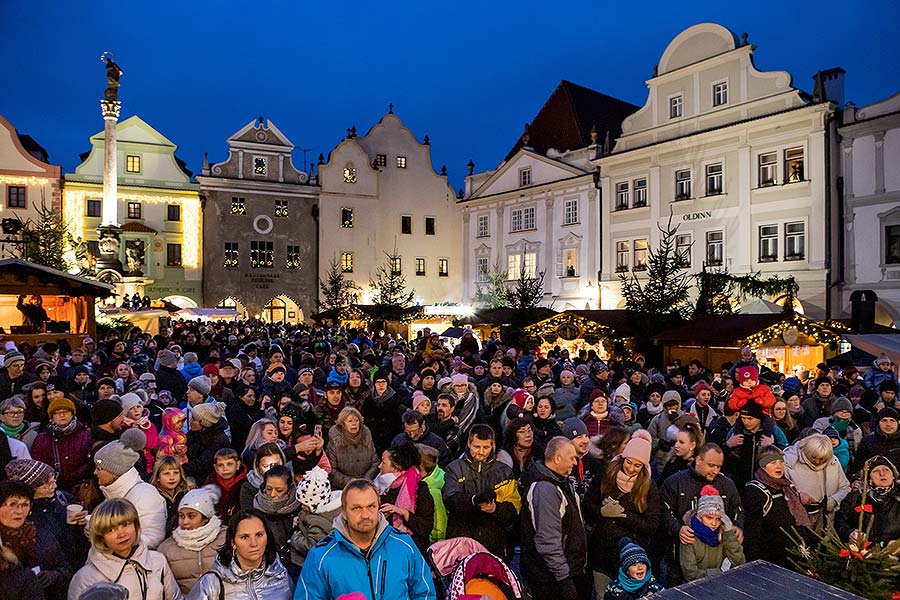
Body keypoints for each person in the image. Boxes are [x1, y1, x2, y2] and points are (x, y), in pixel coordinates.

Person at [297, 479, 436, 600]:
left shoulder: (404, 546)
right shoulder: (321, 557)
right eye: (356, 508)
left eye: (371, 506)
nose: (365, 515)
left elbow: (424, 593)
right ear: (344, 512)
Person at [584, 430, 660, 592]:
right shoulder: (606, 474)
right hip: (601, 554)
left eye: (637, 465)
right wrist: (602, 512)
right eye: (628, 462)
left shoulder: (649, 486)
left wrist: (623, 514)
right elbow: (587, 505)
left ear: (644, 466)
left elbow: (651, 525)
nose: (631, 468)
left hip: (631, 559)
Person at [659, 444, 744, 586]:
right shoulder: (675, 482)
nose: (715, 470)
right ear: (698, 460)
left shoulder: (727, 484)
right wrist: (677, 528)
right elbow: (664, 511)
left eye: (719, 466)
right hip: (679, 559)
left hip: (718, 556)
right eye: (711, 465)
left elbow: (738, 509)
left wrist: (737, 525)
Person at [67, 498, 181, 600]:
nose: (121, 534)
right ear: (100, 537)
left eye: (126, 524)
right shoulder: (86, 579)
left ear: (136, 525)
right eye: (111, 530)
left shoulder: (157, 561)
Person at [520, 437, 590, 600]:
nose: (575, 462)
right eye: (572, 458)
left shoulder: (560, 483)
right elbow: (548, 541)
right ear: (558, 458)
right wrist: (564, 581)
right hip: (551, 580)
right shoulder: (545, 490)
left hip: (561, 574)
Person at [443, 424, 520, 557]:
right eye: (477, 447)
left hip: (493, 542)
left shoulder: (504, 472)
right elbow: (450, 500)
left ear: (493, 445)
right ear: (469, 443)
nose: (481, 451)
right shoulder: (454, 468)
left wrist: (496, 508)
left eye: (486, 447)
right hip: (462, 541)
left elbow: (514, 509)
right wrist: (474, 500)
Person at [186, 509, 292, 600]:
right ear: (233, 543)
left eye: (259, 535)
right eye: (245, 537)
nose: (254, 543)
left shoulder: (280, 574)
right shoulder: (211, 583)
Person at [93, 429, 168, 549]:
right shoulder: (112, 492)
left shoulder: (145, 495)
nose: (95, 472)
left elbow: (154, 537)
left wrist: (114, 544)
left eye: (99, 468)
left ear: (115, 472)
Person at [742, 445, 812, 567]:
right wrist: (755, 563)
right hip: (769, 558)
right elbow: (752, 532)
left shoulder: (786, 486)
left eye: (781, 461)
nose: (779, 466)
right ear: (762, 465)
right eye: (773, 462)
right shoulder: (755, 491)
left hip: (792, 555)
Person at [158, 485, 227, 594]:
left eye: (191, 516)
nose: (185, 522)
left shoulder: (225, 539)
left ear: (205, 517)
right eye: (181, 516)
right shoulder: (166, 549)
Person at [783, 433, 850, 530]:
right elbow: (781, 491)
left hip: (829, 523)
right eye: (813, 457)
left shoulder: (834, 462)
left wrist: (833, 501)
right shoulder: (789, 463)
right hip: (800, 523)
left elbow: (845, 488)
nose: (817, 462)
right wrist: (798, 495)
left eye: (822, 459)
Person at [678, 485, 745, 582]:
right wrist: (720, 572)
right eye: (709, 518)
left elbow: (740, 563)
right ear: (700, 517)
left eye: (718, 519)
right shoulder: (689, 535)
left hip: (723, 584)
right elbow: (690, 574)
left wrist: (729, 533)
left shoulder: (724, 533)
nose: (714, 523)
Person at [377, 441, 434, 555]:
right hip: (384, 549)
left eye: (383, 462)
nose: (379, 466)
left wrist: (404, 513)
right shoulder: (379, 486)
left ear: (396, 467)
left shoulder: (420, 489)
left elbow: (426, 527)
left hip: (411, 550)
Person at [835, 455, 900, 547]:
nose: (882, 474)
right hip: (863, 554)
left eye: (886, 470)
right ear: (869, 478)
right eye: (876, 471)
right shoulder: (856, 498)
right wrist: (849, 533)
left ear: (893, 475)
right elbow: (840, 520)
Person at [30, 396, 93, 490]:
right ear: (51, 417)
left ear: (72, 414)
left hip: (81, 486)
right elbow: (37, 462)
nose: (62, 415)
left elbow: (91, 459)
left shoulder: (86, 434)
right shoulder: (42, 438)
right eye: (57, 413)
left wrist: (75, 475)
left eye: (66, 411)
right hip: (52, 486)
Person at [288, 467, 341, 568]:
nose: (302, 507)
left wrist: (295, 538)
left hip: (306, 563)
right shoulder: (316, 513)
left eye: (305, 504)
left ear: (315, 503)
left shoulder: (318, 521)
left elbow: (311, 546)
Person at [325, 407, 379, 490]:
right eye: (350, 421)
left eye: (356, 420)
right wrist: (351, 482)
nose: (354, 424)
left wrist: (365, 480)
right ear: (342, 424)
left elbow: (375, 463)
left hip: (367, 485)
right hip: (343, 488)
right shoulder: (333, 445)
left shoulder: (367, 438)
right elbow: (331, 471)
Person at [184, 401, 230, 483]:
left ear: (204, 423)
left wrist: (179, 469)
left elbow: (202, 464)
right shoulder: (195, 431)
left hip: (206, 480)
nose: (190, 421)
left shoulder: (219, 440)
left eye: (194, 419)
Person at [206, 448, 247, 520]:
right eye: (220, 465)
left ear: (237, 465)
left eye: (229, 464)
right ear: (216, 468)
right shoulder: (210, 482)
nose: (225, 469)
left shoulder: (245, 482)